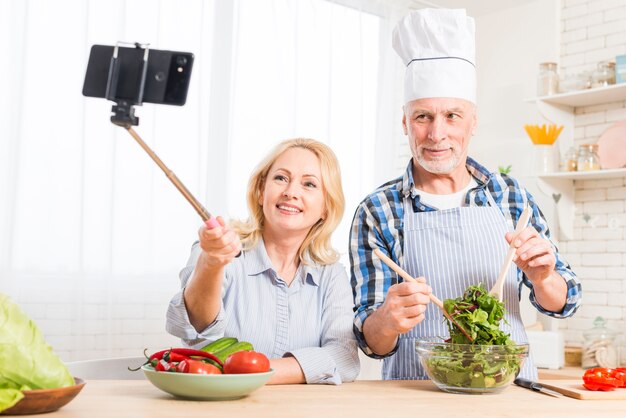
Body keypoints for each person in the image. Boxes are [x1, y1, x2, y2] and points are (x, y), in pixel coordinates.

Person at [349, 8, 581, 381]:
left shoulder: (510, 196)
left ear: (473, 122)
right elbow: (372, 343)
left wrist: (543, 278)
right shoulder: (377, 210)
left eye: (452, 116)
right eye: (423, 117)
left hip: (508, 390)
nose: (437, 133)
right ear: (405, 123)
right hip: (415, 395)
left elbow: (565, 302)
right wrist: (386, 320)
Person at [167, 138, 359, 385]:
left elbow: (344, 359)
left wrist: (255, 371)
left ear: (326, 208)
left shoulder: (331, 274)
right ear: (261, 191)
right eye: (281, 178)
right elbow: (193, 329)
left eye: (309, 184)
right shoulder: (219, 249)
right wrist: (212, 262)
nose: (291, 192)